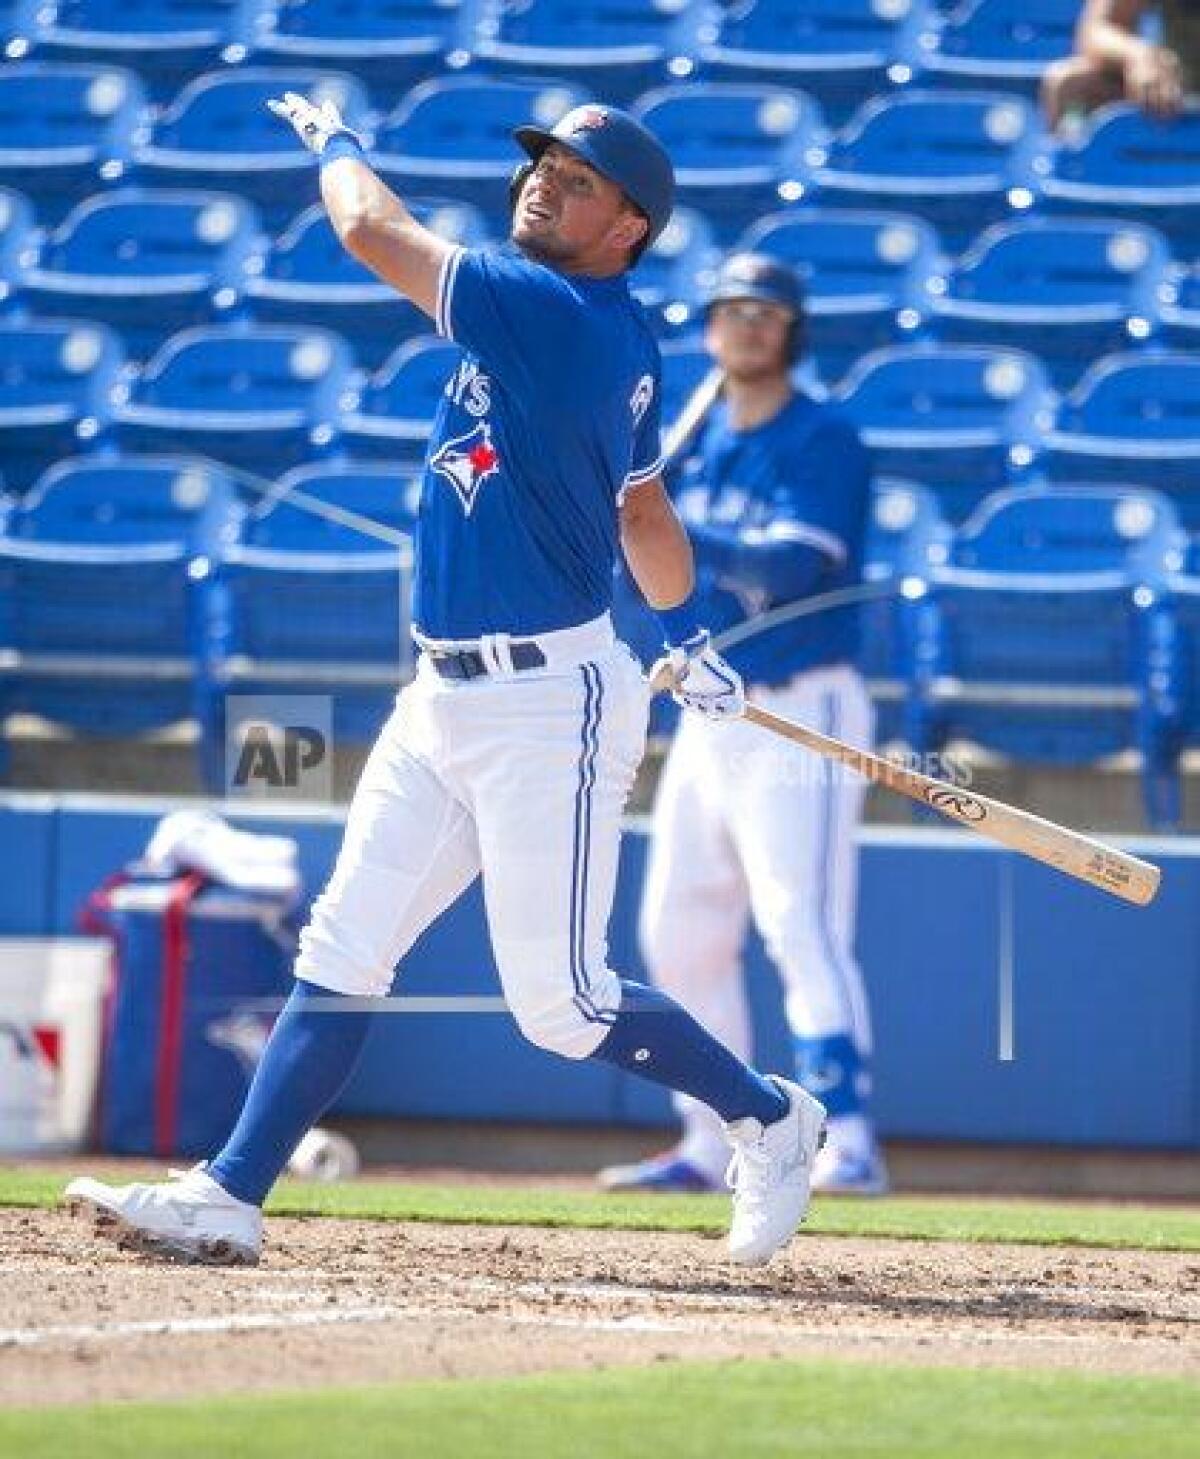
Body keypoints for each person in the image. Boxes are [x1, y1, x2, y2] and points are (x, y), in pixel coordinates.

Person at [64, 99, 827, 1268]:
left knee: (562, 1006)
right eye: (544, 168)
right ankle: (230, 1190)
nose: (543, 187)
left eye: (578, 181)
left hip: (546, 702)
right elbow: (643, 509)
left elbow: (367, 227)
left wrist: (335, 139)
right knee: (344, 943)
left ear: (630, 227)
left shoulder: (553, 312)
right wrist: (689, 631)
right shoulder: (597, 323)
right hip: (444, 693)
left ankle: (770, 1117)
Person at [600, 253, 886, 1198]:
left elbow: (790, 572)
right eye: (733, 311)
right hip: (708, 704)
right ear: (711, 326)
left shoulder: (824, 436)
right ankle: (716, 1137)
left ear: (793, 330)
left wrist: (660, 523)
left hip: (803, 701)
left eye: (769, 311)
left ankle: (847, 1137)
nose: (749, 325)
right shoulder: (699, 438)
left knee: (798, 918)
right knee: (679, 928)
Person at [1042, 0, 1198, 130]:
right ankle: (1075, 163)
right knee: (1072, 85)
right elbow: (1096, 30)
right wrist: (1141, 56)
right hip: (1180, 91)